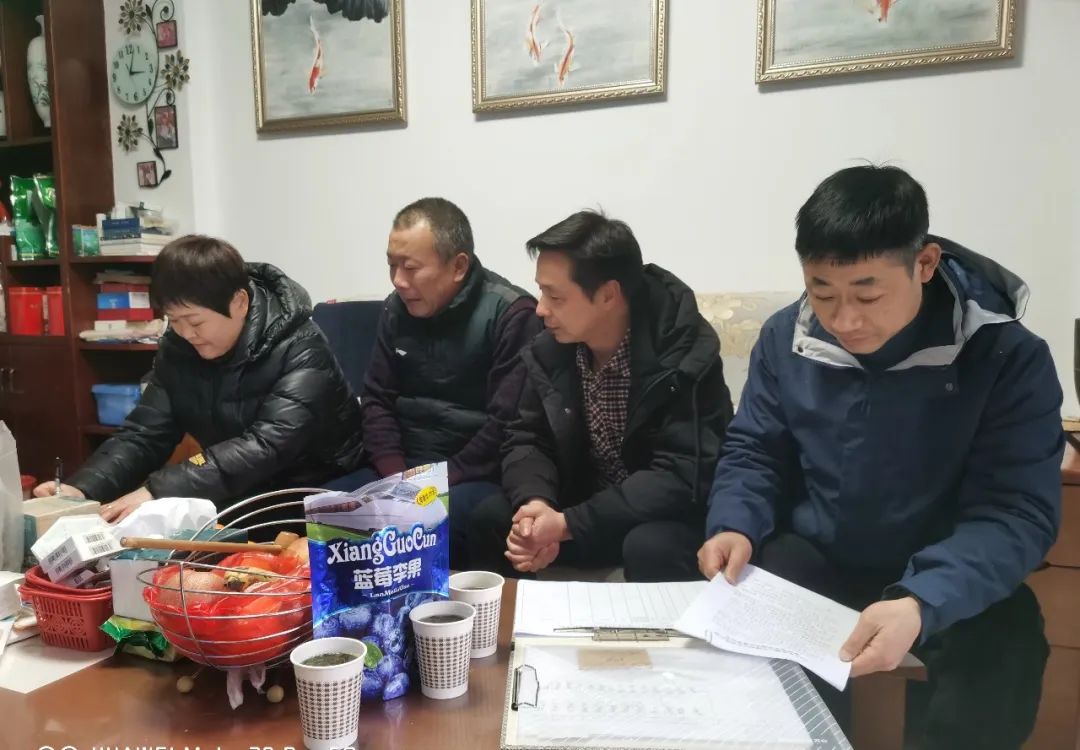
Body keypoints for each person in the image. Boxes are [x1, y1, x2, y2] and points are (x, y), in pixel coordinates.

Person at [699, 165, 1063, 748]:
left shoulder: (1005, 356)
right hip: (821, 559)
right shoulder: (785, 338)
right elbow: (756, 449)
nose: (844, 320)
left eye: (868, 295)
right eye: (822, 292)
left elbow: (1014, 511)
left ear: (925, 263)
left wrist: (921, 600)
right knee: (756, 600)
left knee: (1005, 640)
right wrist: (734, 523)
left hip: (943, 570)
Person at [468, 210, 733, 581]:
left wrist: (568, 525)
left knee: (648, 546)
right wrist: (536, 505)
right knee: (490, 518)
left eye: (555, 296)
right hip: (584, 508)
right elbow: (526, 437)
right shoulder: (552, 348)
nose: (541, 309)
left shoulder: (684, 351)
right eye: (542, 291)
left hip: (660, 517)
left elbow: (681, 474)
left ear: (608, 295)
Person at [35, 235, 365, 523]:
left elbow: (266, 445)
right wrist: (84, 489)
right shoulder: (179, 348)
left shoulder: (301, 347)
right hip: (236, 480)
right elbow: (145, 434)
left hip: (319, 485)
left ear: (239, 302)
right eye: (174, 321)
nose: (186, 334)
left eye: (195, 322)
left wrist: (158, 490)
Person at [326, 197, 541, 569]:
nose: (398, 280)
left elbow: (505, 424)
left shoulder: (510, 313)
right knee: (328, 507)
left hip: (472, 474)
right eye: (391, 265)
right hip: (401, 468)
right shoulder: (396, 308)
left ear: (458, 266)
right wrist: (398, 479)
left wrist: (434, 484)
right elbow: (376, 399)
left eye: (410, 268)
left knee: (468, 518)